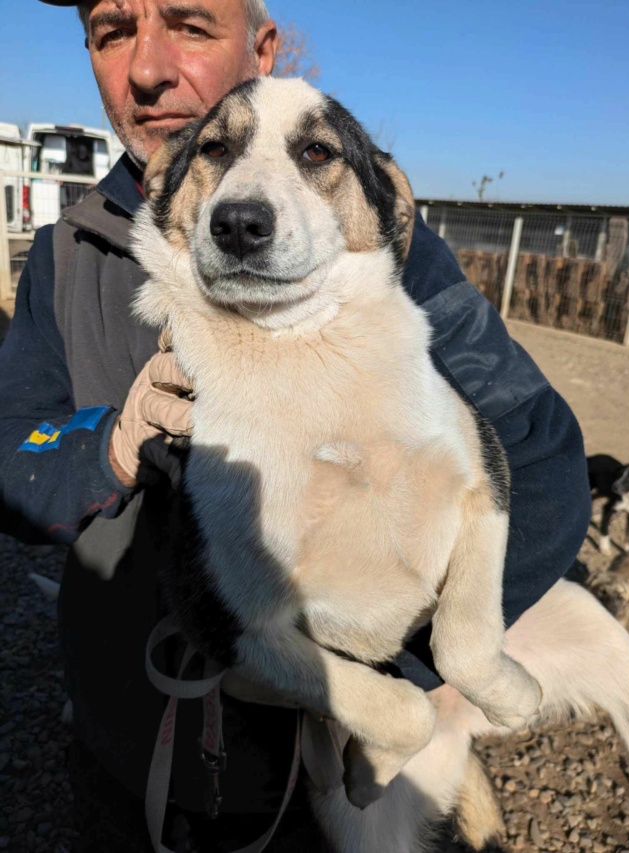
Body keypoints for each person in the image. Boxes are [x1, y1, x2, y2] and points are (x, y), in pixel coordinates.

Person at [0, 1, 591, 850]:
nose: (146, 69)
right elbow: (10, 447)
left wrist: (361, 668)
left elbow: (537, 459)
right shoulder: (64, 256)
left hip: (322, 793)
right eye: (112, 31)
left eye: (191, 24)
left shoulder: (372, 242)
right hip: (124, 772)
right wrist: (107, 446)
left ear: (263, 47)